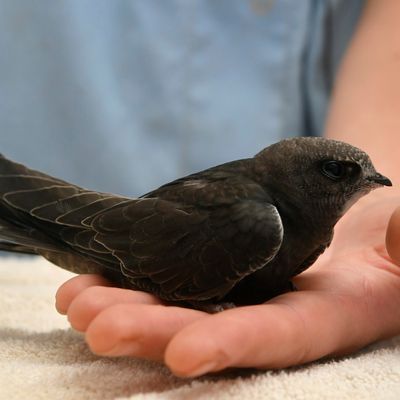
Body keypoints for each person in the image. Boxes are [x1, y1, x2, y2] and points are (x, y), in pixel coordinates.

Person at [3, 1, 400, 377]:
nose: (372, 181)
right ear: (302, 176)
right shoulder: (258, 221)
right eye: (338, 172)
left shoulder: (317, 230)